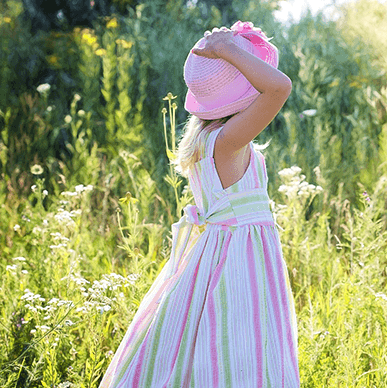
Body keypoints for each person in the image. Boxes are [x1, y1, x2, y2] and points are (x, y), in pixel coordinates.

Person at [99, 21, 299, 387]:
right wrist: (228, 49)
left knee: (200, 337)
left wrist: (228, 51)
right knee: (242, 345)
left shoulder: (210, 137)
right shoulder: (227, 140)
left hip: (216, 249)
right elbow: (280, 87)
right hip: (240, 256)